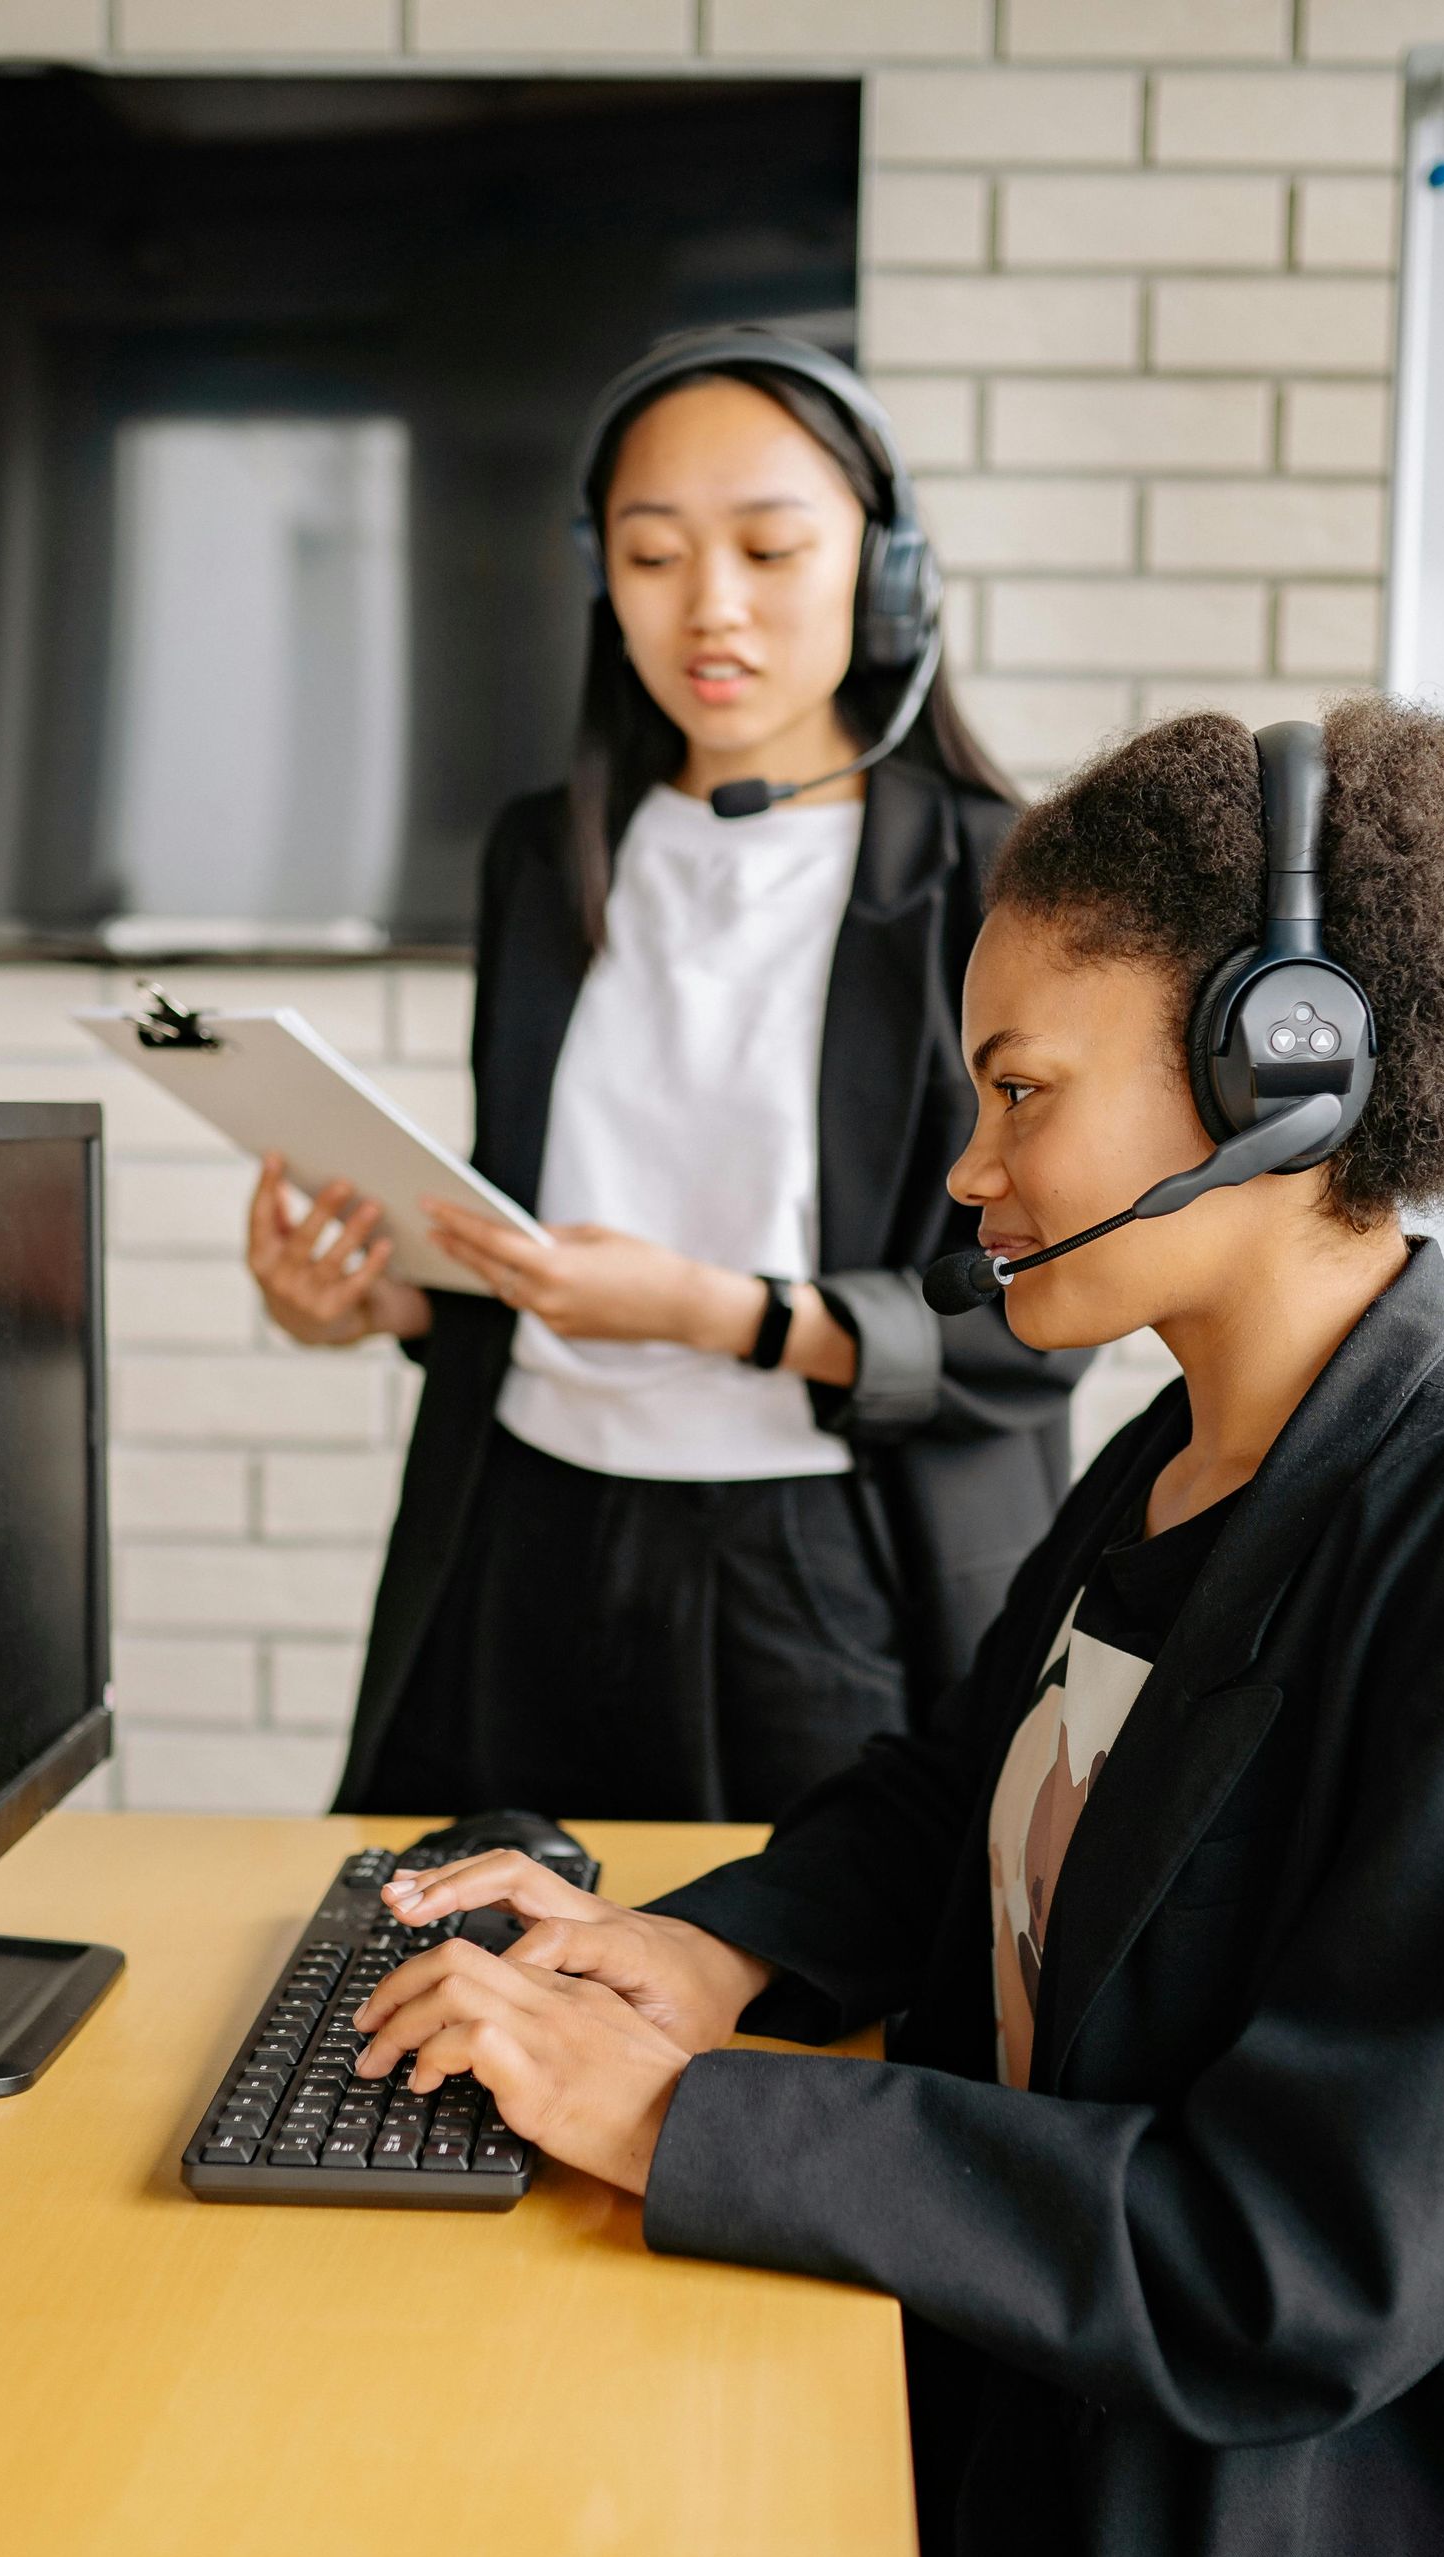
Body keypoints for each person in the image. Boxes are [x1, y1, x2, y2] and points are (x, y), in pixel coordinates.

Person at [349, 701, 1444, 2557]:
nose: (969, 1170)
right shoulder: (1173, 1462)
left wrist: (685, 2119)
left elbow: (1303, 2258)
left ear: (1281, 1075)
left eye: (1022, 1091)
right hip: (1025, 2473)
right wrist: (692, 1951)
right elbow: (950, 1795)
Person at [248, 327, 1086, 1824]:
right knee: (432, 1980)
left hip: (820, 1573)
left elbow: (1040, 1320)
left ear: (887, 575)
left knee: (789, 2015)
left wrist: (713, 1312)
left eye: (771, 549)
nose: (712, 608)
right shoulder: (539, 853)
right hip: (518, 1538)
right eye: (651, 556)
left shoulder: (997, 882)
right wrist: (381, 1299)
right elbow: (547, 1236)